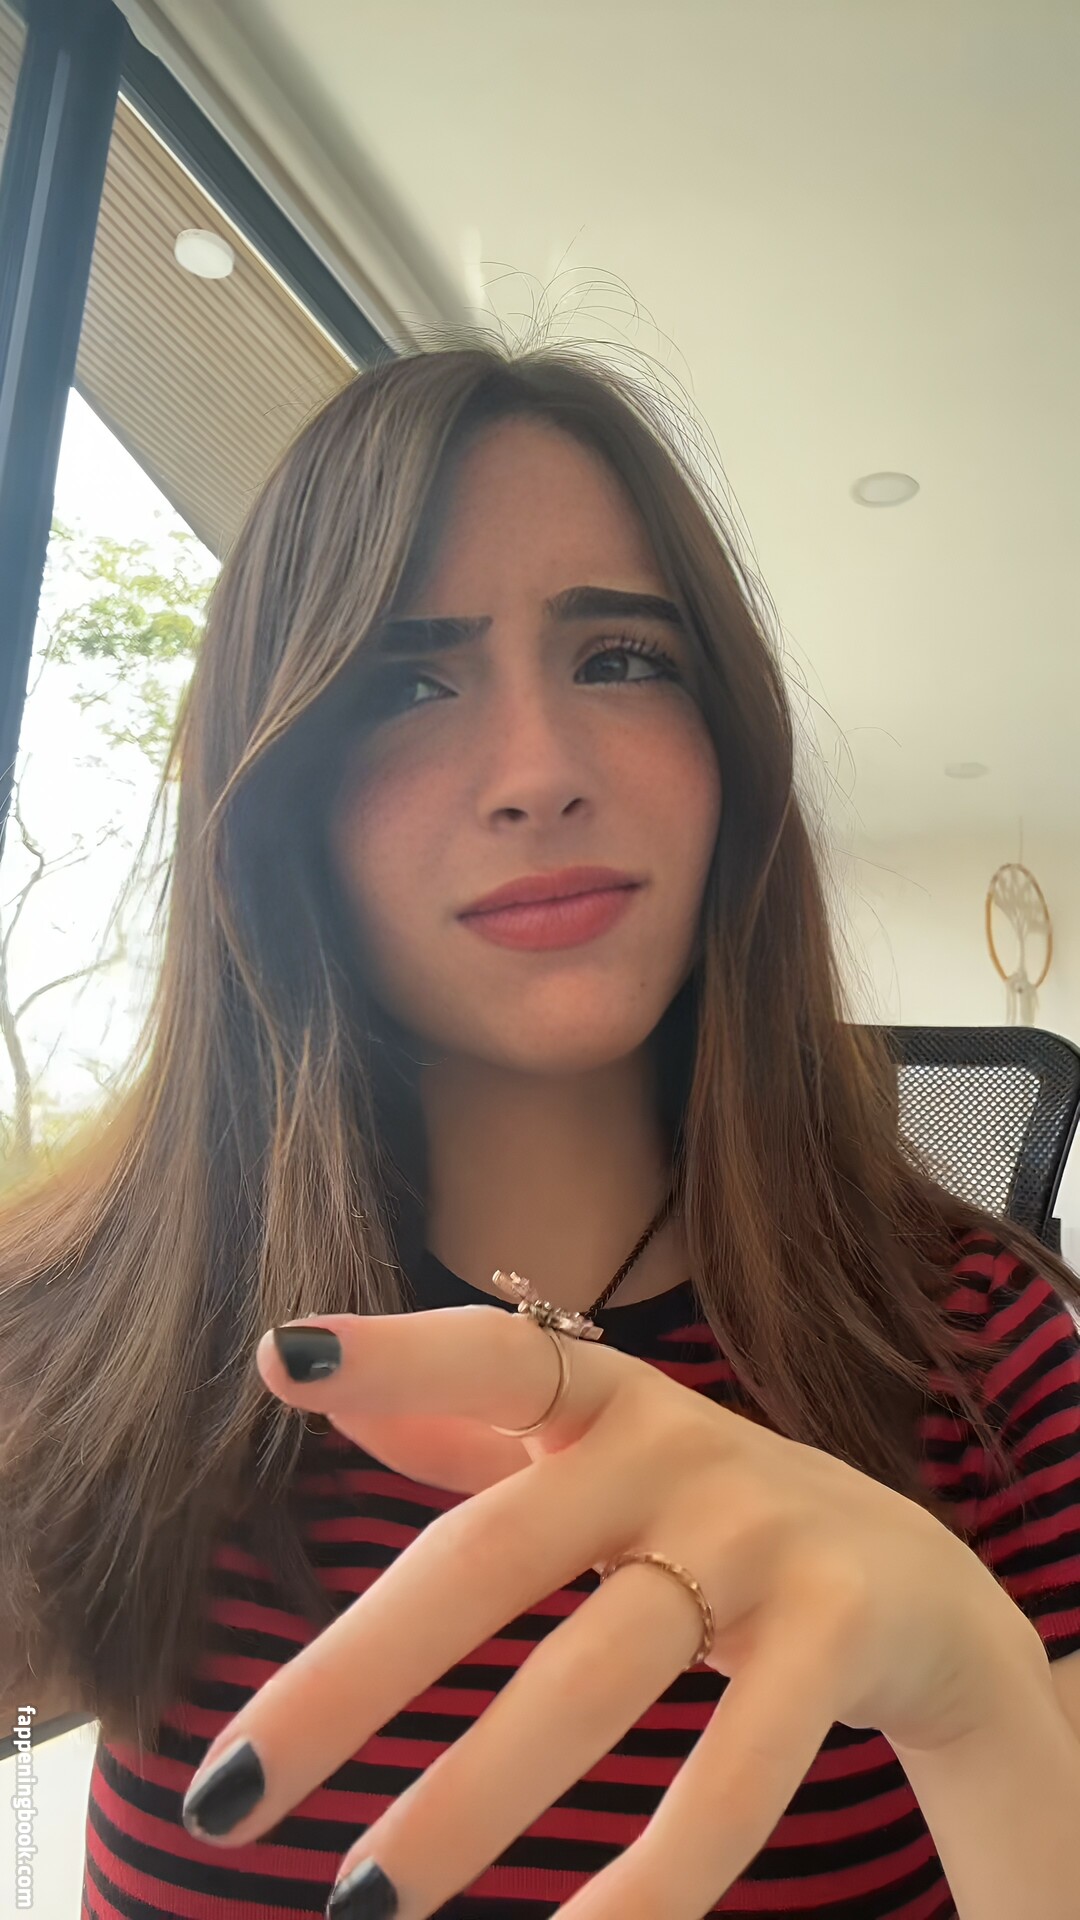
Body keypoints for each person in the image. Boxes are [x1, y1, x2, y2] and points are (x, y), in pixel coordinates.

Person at [1, 336, 1079, 1920]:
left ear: (730, 750)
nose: (537, 774)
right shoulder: (82, 1332)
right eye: (405, 683)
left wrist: (977, 1698)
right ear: (284, 798)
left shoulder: (991, 1356)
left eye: (622, 660)